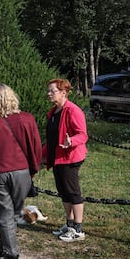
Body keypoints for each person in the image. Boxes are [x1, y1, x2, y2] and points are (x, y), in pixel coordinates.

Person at [0, 84, 42, 259]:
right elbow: (35, 146)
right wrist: (32, 170)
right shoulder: (27, 119)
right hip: (22, 171)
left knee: (6, 216)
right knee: (11, 215)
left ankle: (12, 256)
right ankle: (1, 251)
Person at [45, 78, 88, 242]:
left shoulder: (73, 110)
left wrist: (71, 141)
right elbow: (52, 138)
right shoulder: (54, 111)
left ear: (63, 93)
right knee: (63, 192)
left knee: (73, 192)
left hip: (70, 157)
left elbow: (82, 135)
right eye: (48, 91)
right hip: (58, 158)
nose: (49, 94)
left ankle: (78, 229)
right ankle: (69, 224)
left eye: (52, 91)